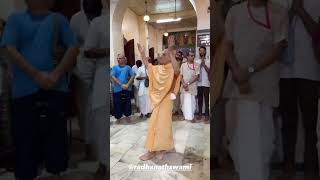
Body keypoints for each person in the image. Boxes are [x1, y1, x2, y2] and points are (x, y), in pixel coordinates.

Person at [1, 0, 79, 179]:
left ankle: (56, 171)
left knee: (55, 136)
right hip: (24, 90)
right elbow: (10, 49)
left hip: (56, 86)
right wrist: (36, 74)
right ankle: (27, 173)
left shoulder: (59, 19)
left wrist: (56, 74)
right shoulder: (15, 19)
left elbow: (73, 47)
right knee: (25, 138)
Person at [222, 0, 288, 179]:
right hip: (237, 85)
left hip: (262, 87)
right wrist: (237, 72)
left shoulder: (279, 12)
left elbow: (278, 47)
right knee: (237, 141)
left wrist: (249, 71)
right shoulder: (235, 12)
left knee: (261, 143)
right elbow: (227, 46)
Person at [279, 0, 320, 178]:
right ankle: (288, 166)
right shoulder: (279, 2)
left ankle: (311, 166)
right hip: (285, 72)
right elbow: (276, 33)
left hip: (310, 71)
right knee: (288, 122)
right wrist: (290, 14)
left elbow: (318, 33)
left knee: (310, 123)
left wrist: (301, 11)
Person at [138, 35, 181, 161]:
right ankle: (154, 149)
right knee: (155, 124)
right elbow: (148, 66)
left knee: (163, 125)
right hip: (158, 101)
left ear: (170, 57)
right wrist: (142, 53)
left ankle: (158, 148)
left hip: (166, 101)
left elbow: (177, 70)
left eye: (163, 55)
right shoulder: (158, 68)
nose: (159, 57)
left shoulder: (172, 69)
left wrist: (170, 52)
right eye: (160, 55)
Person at [70, 0, 102, 160]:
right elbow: (72, 45)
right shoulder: (76, 19)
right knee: (85, 108)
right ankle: (88, 144)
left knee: (98, 107)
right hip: (83, 67)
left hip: (101, 64)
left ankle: (100, 144)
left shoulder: (105, 18)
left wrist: (100, 52)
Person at [82, 0, 109, 179]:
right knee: (101, 123)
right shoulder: (97, 23)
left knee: (106, 123)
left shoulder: (103, 21)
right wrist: (107, 51)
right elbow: (88, 51)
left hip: (108, 74)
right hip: (102, 74)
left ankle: (105, 164)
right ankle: (102, 164)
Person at [111, 54, 134, 123]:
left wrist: (127, 84)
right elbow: (113, 77)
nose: (118, 59)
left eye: (120, 58)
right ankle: (118, 118)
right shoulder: (114, 67)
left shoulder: (128, 68)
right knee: (117, 104)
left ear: (124, 59)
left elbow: (133, 76)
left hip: (127, 89)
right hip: (117, 90)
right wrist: (121, 84)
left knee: (127, 104)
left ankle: (127, 116)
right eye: (117, 58)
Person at [180, 51, 200, 123]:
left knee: (192, 102)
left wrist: (187, 83)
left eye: (193, 56)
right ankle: (185, 116)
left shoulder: (197, 65)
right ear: (187, 57)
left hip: (192, 86)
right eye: (191, 56)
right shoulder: (183, 65)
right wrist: (184, 84)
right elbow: (180, 76)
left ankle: (191, 117)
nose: (192, 57)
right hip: (184, 86)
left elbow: (197, 77)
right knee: (184, 101)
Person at [196, 46, 210, 123]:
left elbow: (209, 72)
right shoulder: (196, 61)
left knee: (207, 100)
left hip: (206, 83)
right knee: (200, 100)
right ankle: (200, 114)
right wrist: (200, 65)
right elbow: (195, 71)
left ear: (205, 52)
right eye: (200, 51)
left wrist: (204, 65)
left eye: (203, 51)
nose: (201, 52)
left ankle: (207, 115)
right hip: (199, 83)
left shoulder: (208, 60)